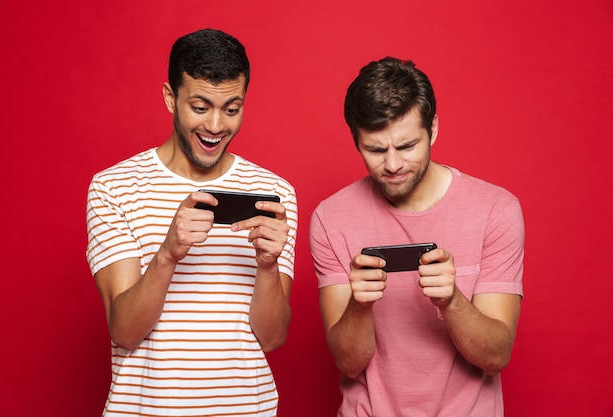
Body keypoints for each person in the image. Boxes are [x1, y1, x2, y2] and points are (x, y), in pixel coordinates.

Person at [86, 28, 297, 417]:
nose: (216, 126)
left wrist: (268, 266)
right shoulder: (113, 188)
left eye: (231, 109)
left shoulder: (272, 191)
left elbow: (272, 338)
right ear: (171, 98)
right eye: (200, 107)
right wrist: (167, 254)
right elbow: (124, 331)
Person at [309, 57, 524, 416]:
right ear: (356, 140)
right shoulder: (331, 218)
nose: (392, 165)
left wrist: (451, 301)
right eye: (376, 150)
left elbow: (496, 356)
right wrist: (359, 306)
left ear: (433, 130)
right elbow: (349, 363)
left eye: (407, 146)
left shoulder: (496, 210)